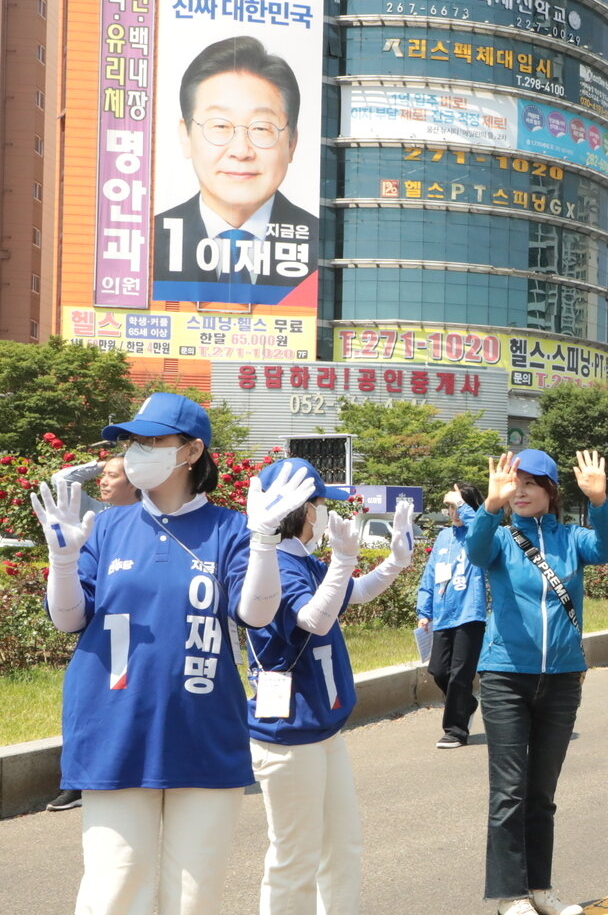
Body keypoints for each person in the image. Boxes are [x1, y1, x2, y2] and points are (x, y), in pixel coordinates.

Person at [28, 392, 313, 914]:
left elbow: (255, 613)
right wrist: (62, 561)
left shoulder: (231, 530)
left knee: (194, 894)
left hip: (201, 728)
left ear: (191, 451)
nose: (135, 452)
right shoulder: (105, 527)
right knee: (114, 887)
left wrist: (265, 540)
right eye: (132, 441)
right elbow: (69, 619)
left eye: (152, 441)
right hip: (112, 727)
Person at [246, 458, 414, 915]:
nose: (325, 513)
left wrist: (394, 564)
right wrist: (342, 560)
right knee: (295, 858)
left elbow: (348, 594)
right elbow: (313, 620)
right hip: (289, 734)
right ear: (300, 510)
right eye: (320, 503)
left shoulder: (301, 560)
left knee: (342, 847)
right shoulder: (271, 563)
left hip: (320, 726)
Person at [467, 449, 608, 915]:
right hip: (505, 677)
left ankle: (540, 888)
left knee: (542, 793)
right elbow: (475, 551)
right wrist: (489, 507)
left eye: (531, 483)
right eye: (514, 482)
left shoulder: (572, 538)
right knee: (509, 791)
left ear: (551, 492)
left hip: (561, 678)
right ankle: (509, 894)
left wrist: (600, 501)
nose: (521, 490)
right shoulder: (499, 536)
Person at [153, 35, 318, 305]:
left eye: (262, 128)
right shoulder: (146, 242)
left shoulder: (324, 245)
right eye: (219, 126)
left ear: (292, 143)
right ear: (186, 136)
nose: (241, 151)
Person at [45, 454, 140, 813]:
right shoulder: (97, 519)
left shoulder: (156, 522)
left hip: (143, 632)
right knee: (87, 704)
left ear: (135, 483)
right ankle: (78, 781)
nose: (104, 482)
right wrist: (98, 464)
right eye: (104, 476)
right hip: (100, 626)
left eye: (113, 476)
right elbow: (62, 480)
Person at [417, 482, 488, 749]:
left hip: (471, 614)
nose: (453, 512)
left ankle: (455, 730)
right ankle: (467, 704)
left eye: (457, 506)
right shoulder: (444, 537)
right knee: (438, 671)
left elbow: (481, 525)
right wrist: (424, 610)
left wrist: (463, 506)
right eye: (449, 507)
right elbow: (431, 574)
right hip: (443, 615)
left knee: (460, 674)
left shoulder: (478, 534)